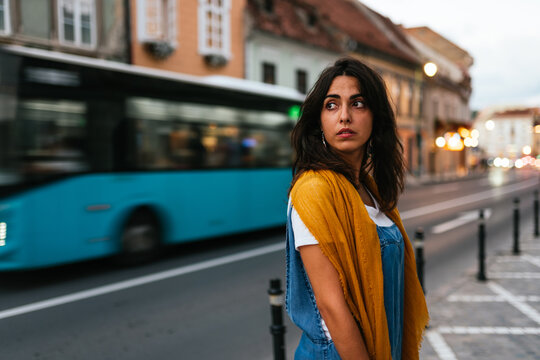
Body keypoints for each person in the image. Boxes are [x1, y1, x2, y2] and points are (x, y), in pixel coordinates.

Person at [286, 57, 429, 360]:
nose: (345, 116)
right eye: (332, 105)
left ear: (375, 116)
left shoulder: (370, 190)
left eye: (358, 103)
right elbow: (331, 308)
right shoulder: (315, 190)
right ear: (319, 120)